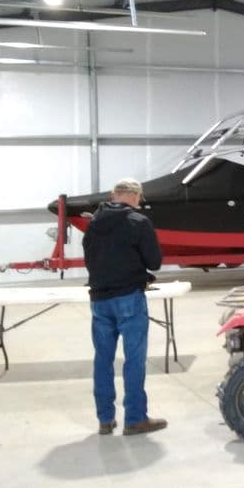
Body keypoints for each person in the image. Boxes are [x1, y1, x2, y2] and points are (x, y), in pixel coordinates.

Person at [82, 178, 167, 436]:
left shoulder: (93, 224)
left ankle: (105, 420)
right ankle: (135, 419)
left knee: (103, 360)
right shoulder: (138, 222)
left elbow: (90, 260)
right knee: (134, 360)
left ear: (113, 195)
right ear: (135, 196)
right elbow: (154, 262)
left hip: (99, 300)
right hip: (129, 297)